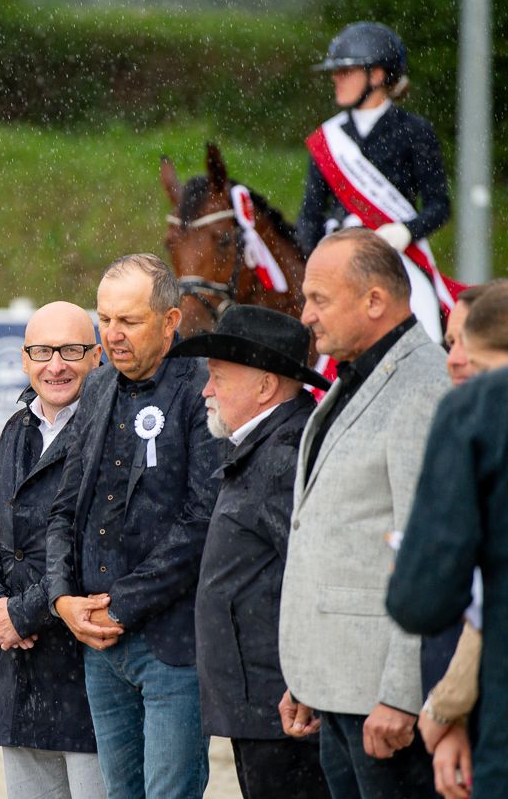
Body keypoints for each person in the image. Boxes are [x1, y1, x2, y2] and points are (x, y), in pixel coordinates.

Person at [277, 227, 449, 797]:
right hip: (339, 691)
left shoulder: (423, 389)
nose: (306, 315)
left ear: (374, 300)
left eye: (319, 299)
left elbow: (426, 555)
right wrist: (310, 675)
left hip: (385, 704)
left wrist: (402, 693)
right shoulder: (355, 377)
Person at [46, 253, 224, 798]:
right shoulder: (98, 385)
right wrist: (62, 598)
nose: (112, 334)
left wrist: (120, 604)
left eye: (129, 320)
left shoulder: (203, 388)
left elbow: (202, 520)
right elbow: (65, 508)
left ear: (171, 321)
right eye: (104, 319)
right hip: (99, 646)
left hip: (173, 646)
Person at [164, 305, 331, 799]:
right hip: (262, 702)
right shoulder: (266, 446)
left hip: (283, 707)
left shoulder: (284, 454)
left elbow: (315, 574)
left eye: (218, 377)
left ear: (265, 386)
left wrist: (306, 679)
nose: (205, 391)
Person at [0, 302, 106, 799]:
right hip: (20, 673)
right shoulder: (16, 428)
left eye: (71, 350)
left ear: (96, 356)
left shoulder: (108, 430)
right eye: (43, 352)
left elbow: (95, 543)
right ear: (25, 360)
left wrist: (23, 614)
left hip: (83, 670)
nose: (56, 365)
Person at [386, 303, 508, 796]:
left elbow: (421, 602)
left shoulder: (478, 411)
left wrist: (413, 569)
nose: (452, 359)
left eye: (463, 343)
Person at [297, 22, 454, 343]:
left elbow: (439, 205)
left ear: (377, 75)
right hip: (338, 257)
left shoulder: (415, 131)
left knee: (426, 322)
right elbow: (310, 214)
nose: (335, 79)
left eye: (345, 71)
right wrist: (313, 258)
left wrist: (406, 231)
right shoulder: (328, 139)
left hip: (397, 257)